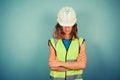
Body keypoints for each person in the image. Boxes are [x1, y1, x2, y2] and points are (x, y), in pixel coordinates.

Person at [48, 6, 87, 80]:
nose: (67, 28)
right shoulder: (53, 42)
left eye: (69, 25)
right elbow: (52, 65)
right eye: (64, 25)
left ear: (73, 25)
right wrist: (75, 66)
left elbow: (82, 65)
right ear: (60, 25)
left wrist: (59, 63)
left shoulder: (81, 42)